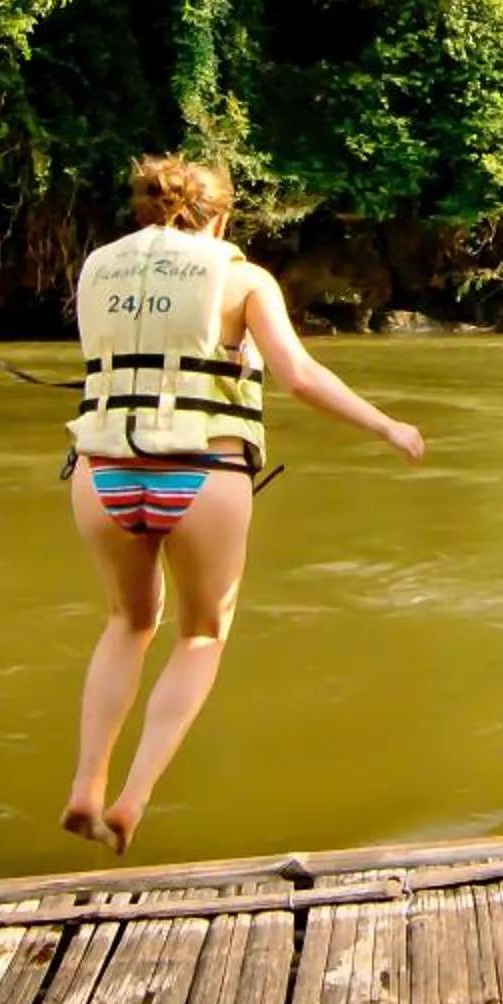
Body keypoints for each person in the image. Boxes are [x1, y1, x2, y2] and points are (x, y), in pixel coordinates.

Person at [59, 154, 423, 854]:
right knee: (200, 635)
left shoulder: (96, 268)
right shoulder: (242, 278)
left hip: (101, 475)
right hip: (201, 475)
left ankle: (86, 783)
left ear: (143, 209)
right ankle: (133, 798)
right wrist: (387, 425)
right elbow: (299, 375)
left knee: (128, 622)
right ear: (220, 215)